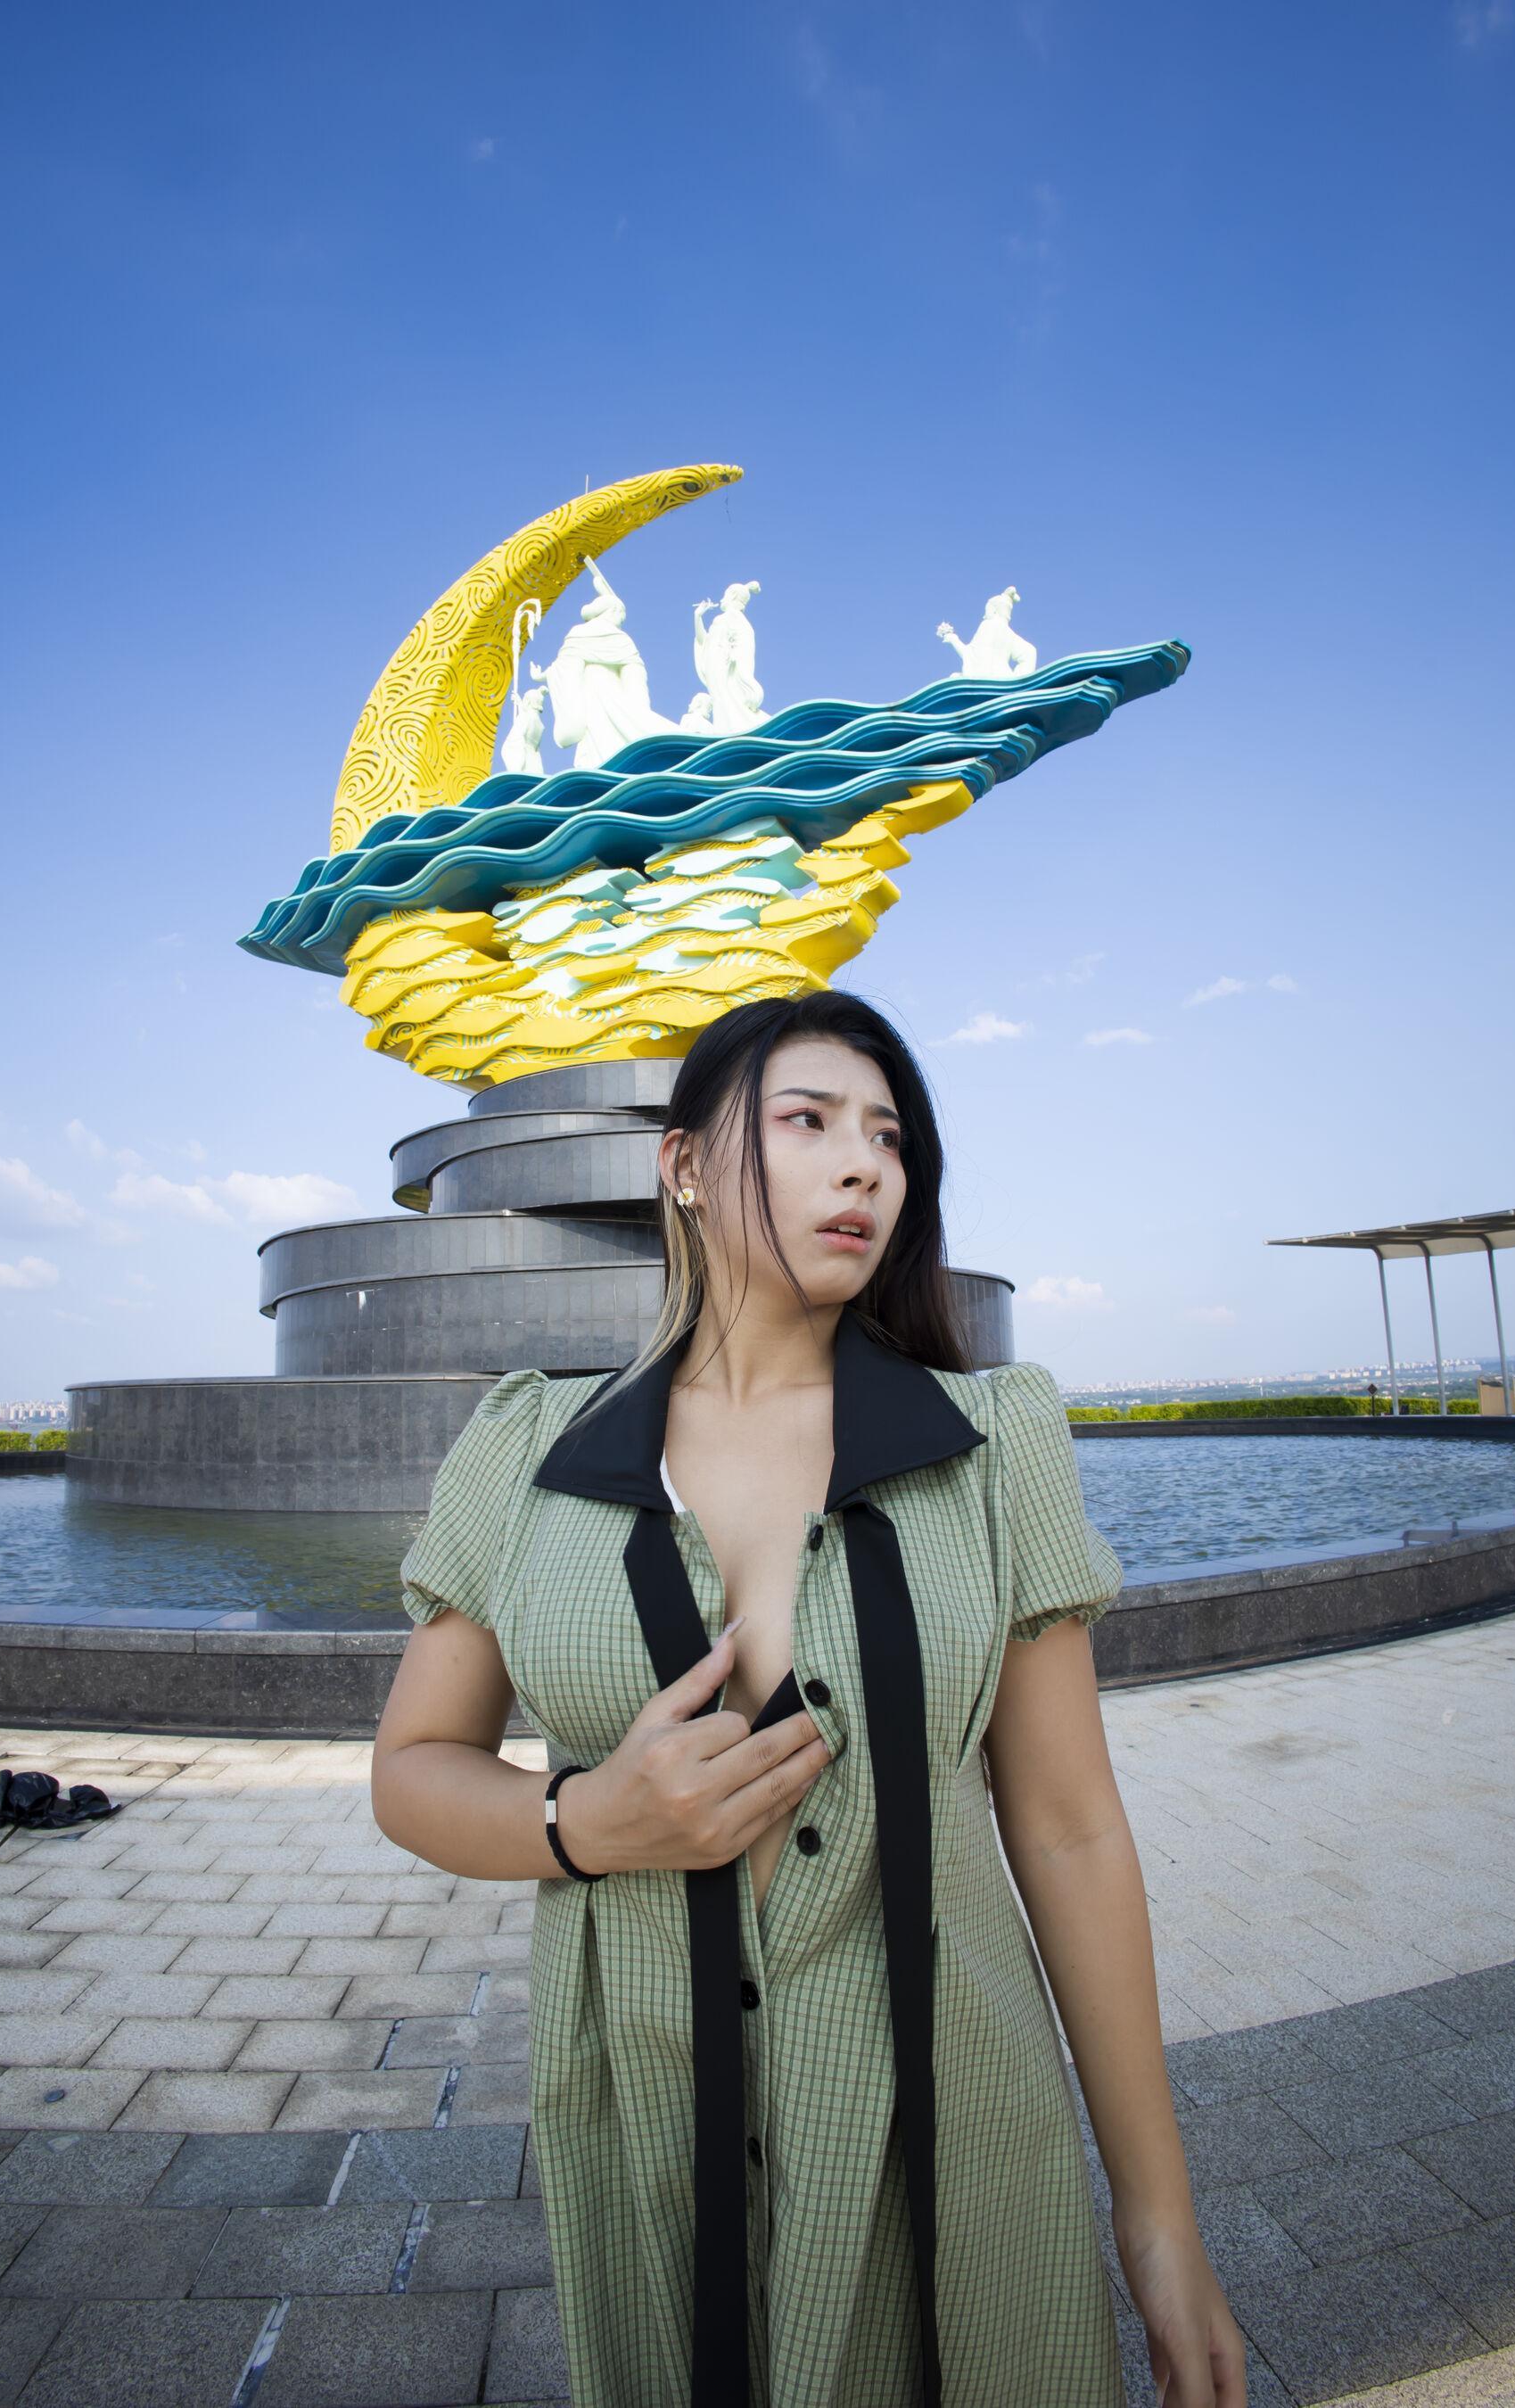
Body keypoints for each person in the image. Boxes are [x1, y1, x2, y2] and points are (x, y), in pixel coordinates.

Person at [371, 988, 1247, 2408]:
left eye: (890, 1138)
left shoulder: (993, 1443)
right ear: (681, 1165)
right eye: (810, 1122)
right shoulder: (527, 1448)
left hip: (956, 2117)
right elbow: (413, 1767)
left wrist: (1160, 2219)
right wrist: (585, 1823)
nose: (865, 1168)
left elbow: (1072, 1829)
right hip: (651, 2124)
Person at [531, 552, 675, 768]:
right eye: (620, 615)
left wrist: (547, 675)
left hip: (603, 697)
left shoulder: (582, 634)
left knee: (605, 744)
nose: (621, 620)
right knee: (603, 741)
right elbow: (635, 676)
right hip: (598, 696)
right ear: (612, 612)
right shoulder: (617, 639)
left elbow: (565, 667)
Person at [694, 581, 768, 731]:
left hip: (723, 665)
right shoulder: (725, 618)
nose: (722, 599)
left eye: (725, 595)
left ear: (733, 596)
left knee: (726, 698)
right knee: (720, 699)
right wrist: (698, 617)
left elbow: (745, 641)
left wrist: (735, 656)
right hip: (714, 664)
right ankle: (725, 728)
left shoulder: (734, 617)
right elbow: (704, 641)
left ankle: (733, 728)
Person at [936, 585, 1039, 681]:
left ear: (992, 610)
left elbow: (971, 655)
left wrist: (954, 640)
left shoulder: (989, 626)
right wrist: (1018, 680)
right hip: (1003, 677)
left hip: (985, 677)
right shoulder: (1007, 632)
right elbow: (1030, 652)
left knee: (954, 676)